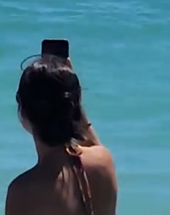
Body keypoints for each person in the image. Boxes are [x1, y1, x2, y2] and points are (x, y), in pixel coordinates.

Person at [6, 55, 117, 215]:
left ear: (23, 111)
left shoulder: (23, 190)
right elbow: (92, 145)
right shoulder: (103, 161)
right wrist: (74, 99)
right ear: (74, 106)